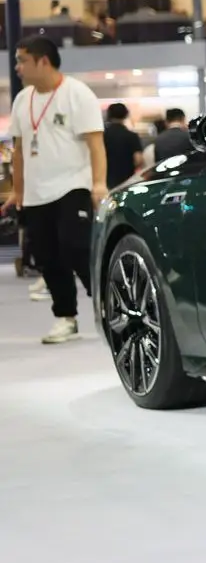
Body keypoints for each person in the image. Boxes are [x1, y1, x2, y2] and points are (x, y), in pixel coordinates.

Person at [2, 35, 108, 344]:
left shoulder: (78, 94)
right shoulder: (23, 100)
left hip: (72, 186)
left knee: (75, 246)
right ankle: (66, 317)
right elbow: (19, 151)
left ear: (43, 61)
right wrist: (18, 190)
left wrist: (98, 184)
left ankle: (109, 306)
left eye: (22, 60)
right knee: (47, 256)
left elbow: (96, 144)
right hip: (36, 193)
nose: (17, 67)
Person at [103, 102, 144, 188]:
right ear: (126, 115)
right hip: (127, 179)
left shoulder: (102, 136)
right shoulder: (131, 135)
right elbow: (138, 159)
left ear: (108, 115)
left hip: (106, 179)